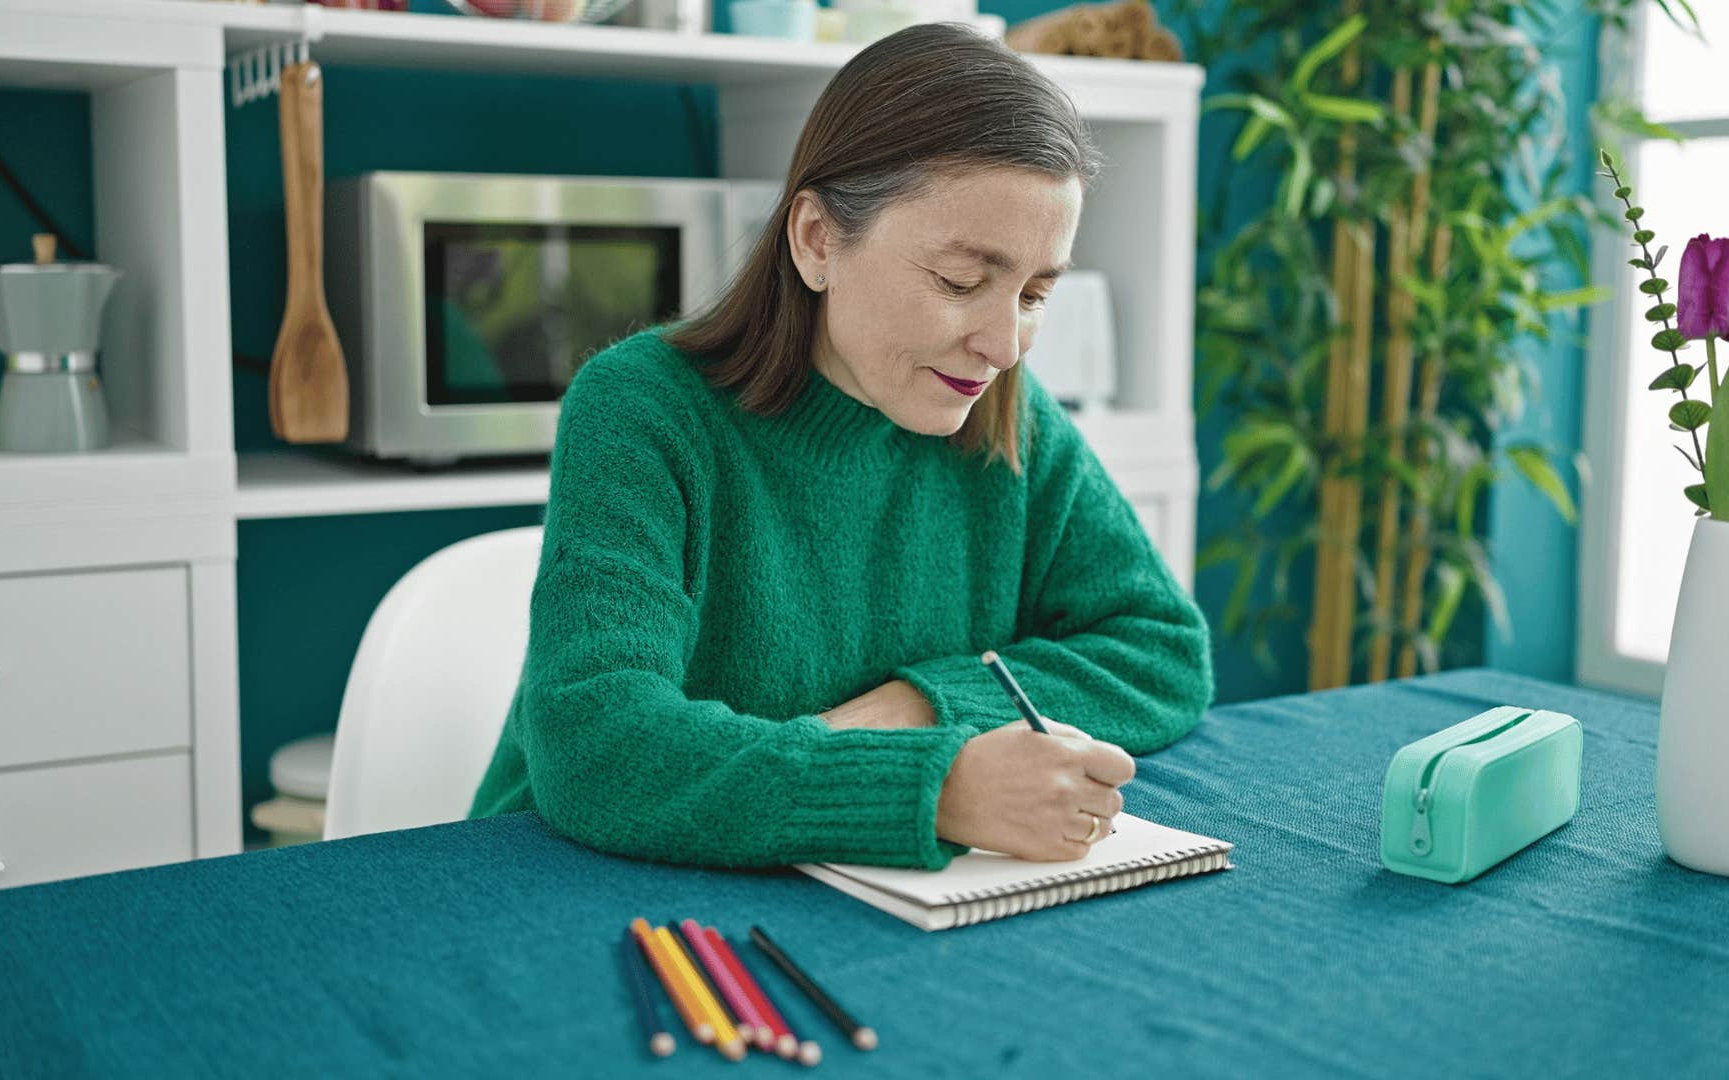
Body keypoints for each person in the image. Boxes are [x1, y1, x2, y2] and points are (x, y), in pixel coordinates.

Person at [468, 22, 1213, 869]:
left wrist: (921, 707)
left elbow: (1162, 650)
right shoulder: (642, 409)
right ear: (818, 241)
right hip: (576, 879)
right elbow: (598, 744)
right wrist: (937, 788)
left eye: (1036, 293)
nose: (1005, 345)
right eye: (961, 282)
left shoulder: (1007, 410)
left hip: (845, 885)